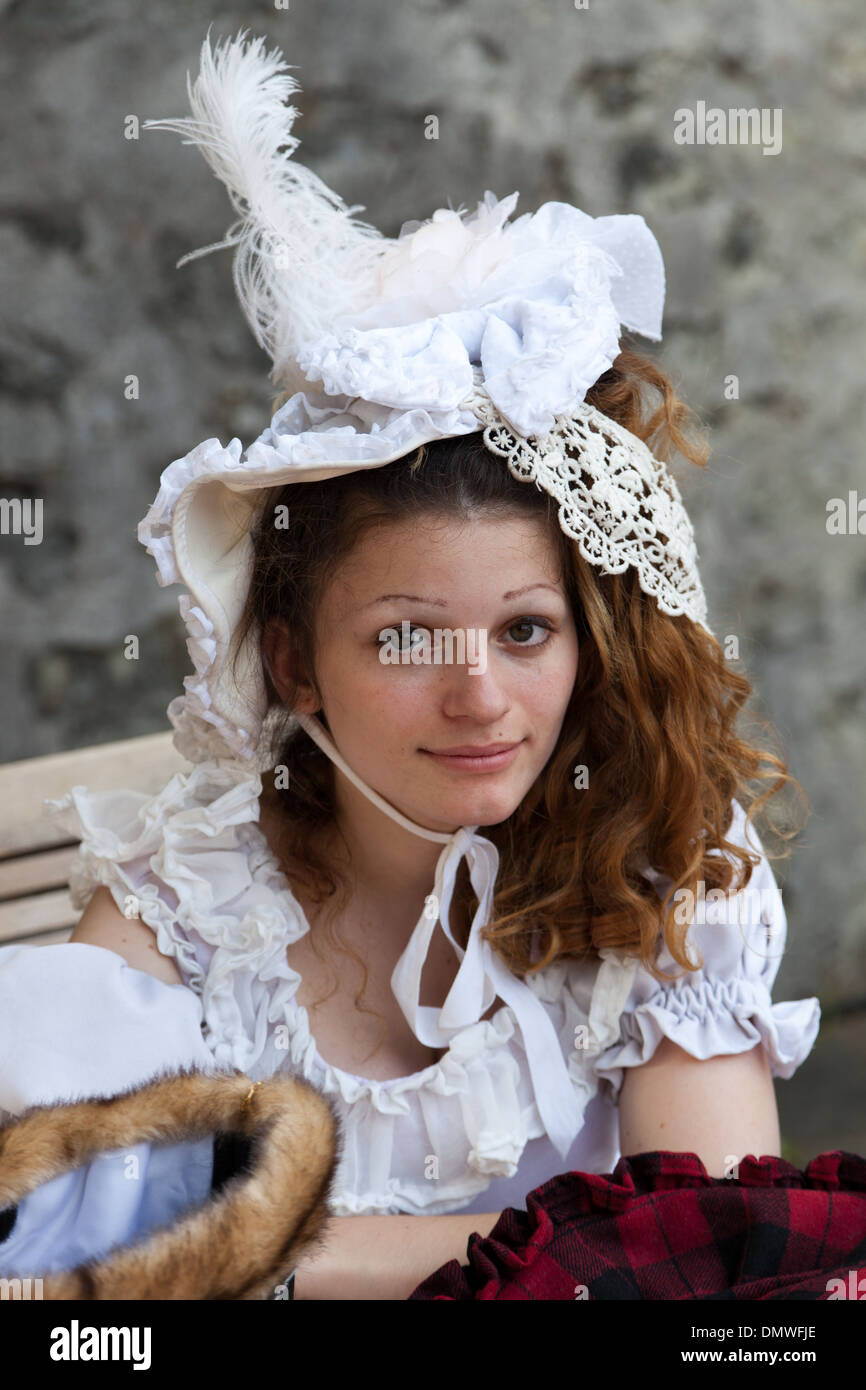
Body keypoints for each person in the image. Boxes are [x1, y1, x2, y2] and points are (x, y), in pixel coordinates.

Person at [0, 28, 820, 1301]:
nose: (478, 695)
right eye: (402, 637)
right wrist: (551, 1252)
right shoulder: (195, 898)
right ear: (295, 662)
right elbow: (66, 1257)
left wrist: (265, 1246)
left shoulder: (663, 865)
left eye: (524, 631)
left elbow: (708, 1278)